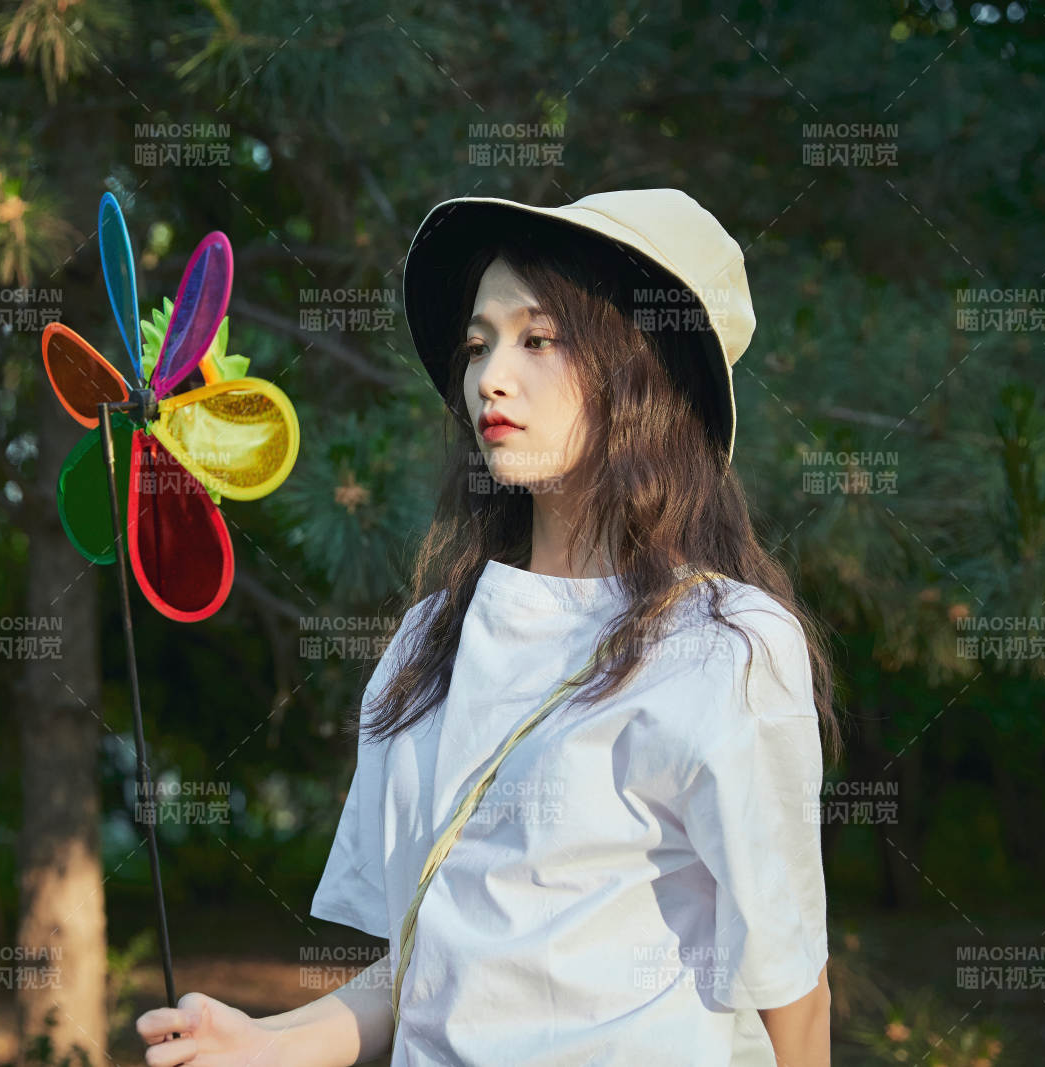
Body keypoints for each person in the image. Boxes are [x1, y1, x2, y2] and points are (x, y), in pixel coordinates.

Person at [136, 189, 841, 1066]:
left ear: (645, 367)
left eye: (537, 339)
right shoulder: (429, 641)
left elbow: (789, 985)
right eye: (478, 344)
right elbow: (428, 972)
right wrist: (258, 1040)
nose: (489, 378)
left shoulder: (725, 644)